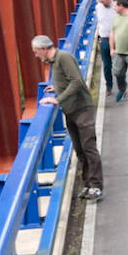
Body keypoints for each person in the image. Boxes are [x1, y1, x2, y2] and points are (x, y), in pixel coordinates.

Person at [32, 35, 102, 200]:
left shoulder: (63, 57)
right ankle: (87, 184)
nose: (35, 55)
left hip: (81, 108)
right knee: (80, 150)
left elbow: (77, 81)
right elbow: (66, 80)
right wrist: (56, 87)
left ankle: (96, 186)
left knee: (88, 148)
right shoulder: (53, 62)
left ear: (44, 49)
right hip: (71, 110)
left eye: (36, 52)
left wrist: (57, 99)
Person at [93, 0, 116, 95]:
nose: (100, 0)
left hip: (117, 38)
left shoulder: (116, 7)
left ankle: (122, 84)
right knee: (107, 65)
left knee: (120, 65)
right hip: (104, 38)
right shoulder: (98, 7)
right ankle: (109, 86)